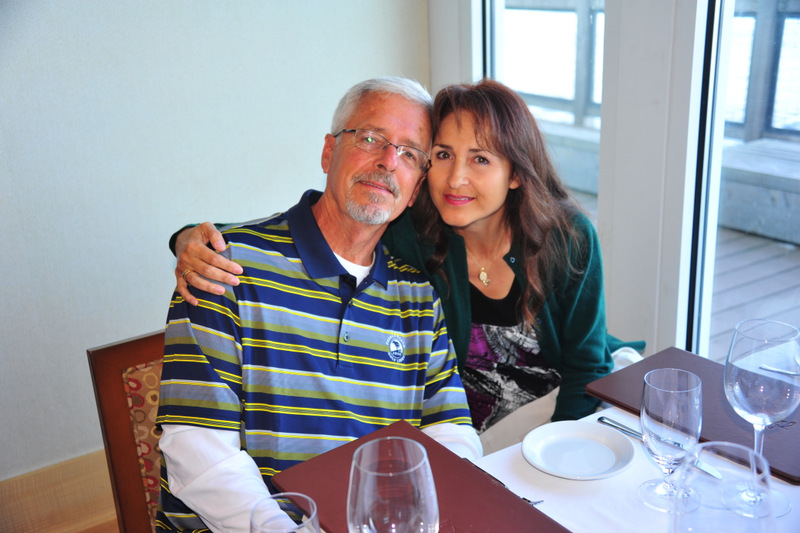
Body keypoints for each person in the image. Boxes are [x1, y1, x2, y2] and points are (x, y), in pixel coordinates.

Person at [172, 79, 643, 451]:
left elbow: (587, 367)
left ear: (516, 173)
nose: (455, 178)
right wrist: (191, 238)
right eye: (443, 155)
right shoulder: (413, 230)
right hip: (470, 428)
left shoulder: (566, 238)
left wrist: (556, 454)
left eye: (480, 159)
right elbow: (312, 222)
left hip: (561, 407)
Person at [157, 77, 481, 533]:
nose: (388, 161)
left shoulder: (418, 297)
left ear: (415, 190)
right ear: (329, 152)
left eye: (409, 153)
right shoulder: (224, 267)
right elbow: (198, 455)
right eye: (370, 138)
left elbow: (452, 432)